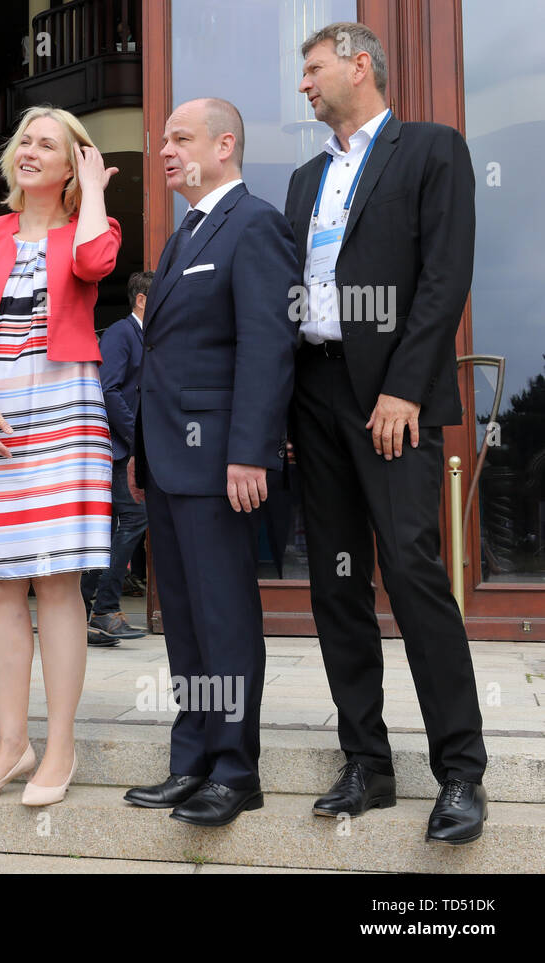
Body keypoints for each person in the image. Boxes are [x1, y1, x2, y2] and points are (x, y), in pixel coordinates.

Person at [286, 22, 487, 843]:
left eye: (313, 68)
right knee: (336, 583)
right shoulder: (303, 179)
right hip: (318, 393)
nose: (303, 84)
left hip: (391, 400)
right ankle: (365, 762)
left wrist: (406, 386)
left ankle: (462, 772)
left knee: (412, 572)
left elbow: (446, 275)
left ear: (358, 64)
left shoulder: (432, 149)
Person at [125, 98, 297, 826]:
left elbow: (268, 344)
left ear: (224, 145)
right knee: (188, 621)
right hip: (167, 461)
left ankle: (235, 768)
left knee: (225, 618)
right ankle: (190, 758)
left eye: (180, 137)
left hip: (220, 462)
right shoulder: (180, 236)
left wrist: (250, 452)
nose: (165, 149)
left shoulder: (254, 225)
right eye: (163, 138)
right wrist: (141, 448)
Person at [0, 106, 121, 807]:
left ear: (71, 161)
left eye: (48, 144)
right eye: (25, 141)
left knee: (56, 584)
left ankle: (61, 744)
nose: (29, 151)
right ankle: (10, 742)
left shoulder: (89, 228)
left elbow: (95, 263)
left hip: (65, 413)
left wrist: (95, 189)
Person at [82, 270, 153, 645]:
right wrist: (136, 438)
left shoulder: (146, 336)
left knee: (115, 528)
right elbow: (108, 389)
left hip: (129, 448)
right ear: (142, 299)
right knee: (132, 520)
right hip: (117, 449)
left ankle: (85, 607)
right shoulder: (121, 333)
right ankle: (104, 609)